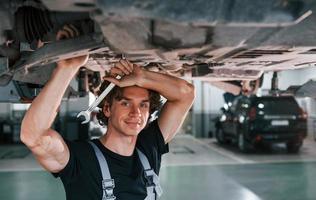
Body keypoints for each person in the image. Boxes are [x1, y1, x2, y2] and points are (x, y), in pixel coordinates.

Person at [20, 53, 195, 200]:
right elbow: (33, 136)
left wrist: (142, 76)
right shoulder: (80, 160)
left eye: (143, 105)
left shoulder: (148, 148)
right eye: (125, 104)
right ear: (107, 108)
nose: (136, 113)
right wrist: (67, 68)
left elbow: (186, 94)